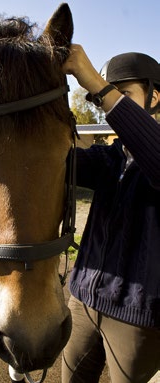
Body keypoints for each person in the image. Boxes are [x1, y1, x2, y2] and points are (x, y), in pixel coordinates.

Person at [61, 45, 160, 383]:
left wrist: (96, 83)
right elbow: (55, 163)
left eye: (124, 93)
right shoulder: (110, 158)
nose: (105, 105)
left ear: (155, 96)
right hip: (83, 299)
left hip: (139, 317)